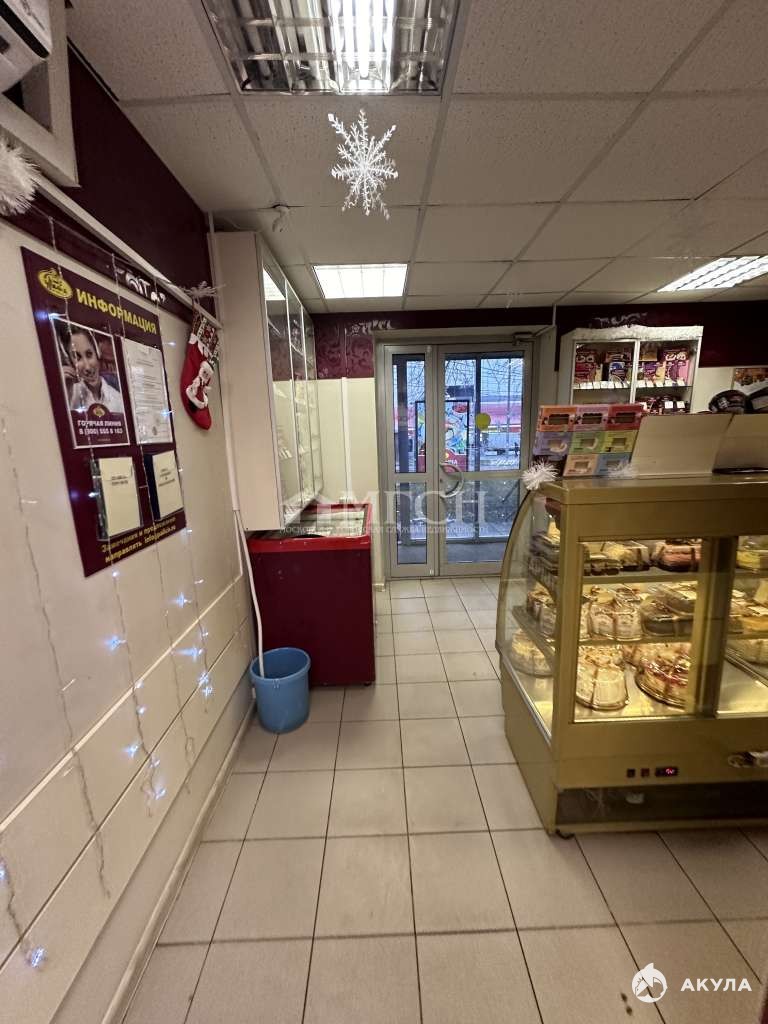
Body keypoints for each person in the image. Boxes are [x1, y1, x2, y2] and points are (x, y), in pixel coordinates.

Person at [62, 326, 124, 415]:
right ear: (70, 362)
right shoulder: (69, 396)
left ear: (97, 353)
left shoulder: (118, 399)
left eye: (89, 354)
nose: (87, 367)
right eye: (77, 358)